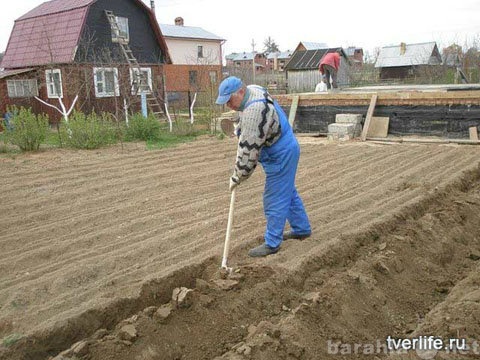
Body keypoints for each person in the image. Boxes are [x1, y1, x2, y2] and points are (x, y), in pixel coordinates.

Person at [216, 76, 311, 257]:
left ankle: (272, 242)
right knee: (287, 191)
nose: (228, 105)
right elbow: (249, 122)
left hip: (280, 154)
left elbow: (248, 157)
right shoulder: (253, 90)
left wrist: (237, 177)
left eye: (229, 100)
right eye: (225, 102)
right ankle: (301, 229)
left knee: (274, 197)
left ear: (241, 92)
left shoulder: (254, 110)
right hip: (283, 146)